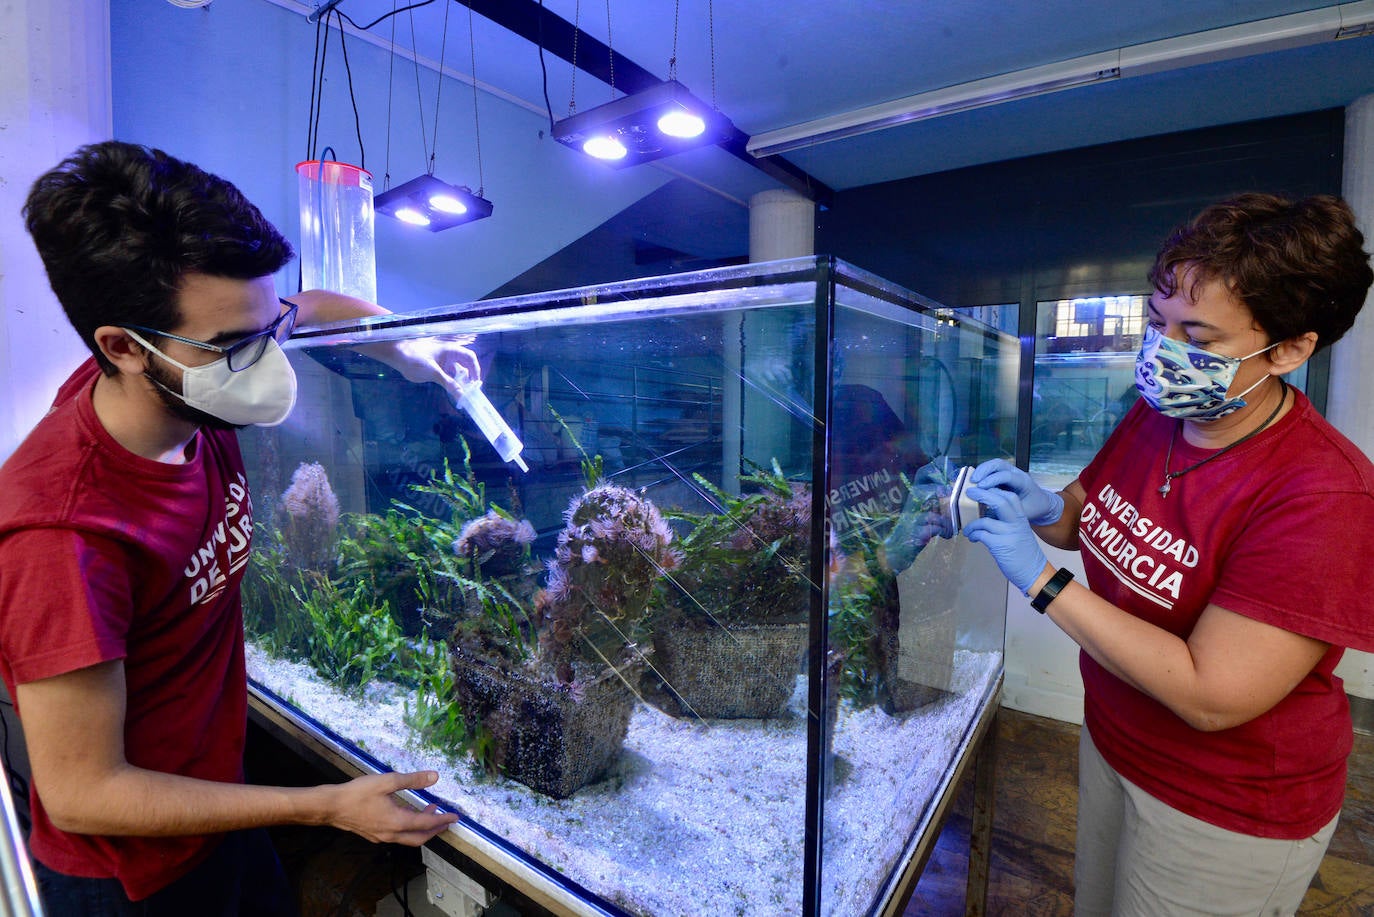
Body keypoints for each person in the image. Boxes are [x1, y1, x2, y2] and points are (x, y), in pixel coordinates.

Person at [0, 141, 476, 915]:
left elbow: (310, 304)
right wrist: (325, 806)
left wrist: (406, 345)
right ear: (121, 348)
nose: (269, 358)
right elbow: (85, 792)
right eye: (235, 347)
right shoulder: (63, 536)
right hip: (137, 877)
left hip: (224, 807)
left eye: (266, 325)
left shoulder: (187, 369)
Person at [961, 193, 1374, 916]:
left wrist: (1041, 582)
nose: (1163, 351)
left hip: (1225, 800)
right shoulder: (1159, 416)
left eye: (1198, 336)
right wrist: (1044, 506)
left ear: (1289, 349)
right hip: (1114, 739)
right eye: (1157, 323)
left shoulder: (1323, 493)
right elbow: (1089, 512)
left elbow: (1212, 695)